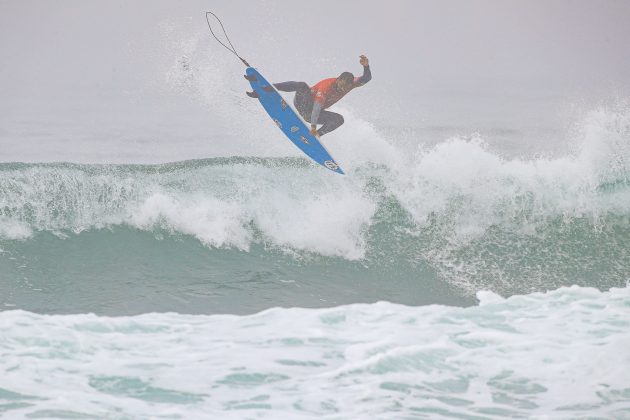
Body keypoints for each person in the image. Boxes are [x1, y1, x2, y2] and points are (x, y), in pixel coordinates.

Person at [251, 55, 371, 138]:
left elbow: (366, 78)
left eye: (345, 87)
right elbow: (316, 109)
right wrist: (312, 126)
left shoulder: (351, 84)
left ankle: (317, 136)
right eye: (341, 85)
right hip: (304, 104)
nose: (342, 89)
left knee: (339, 119)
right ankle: (269, 88)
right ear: (338, 79)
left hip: (314, 114)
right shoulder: (326, 86)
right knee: (302, 85)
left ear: (350, 84)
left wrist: (366, 66)